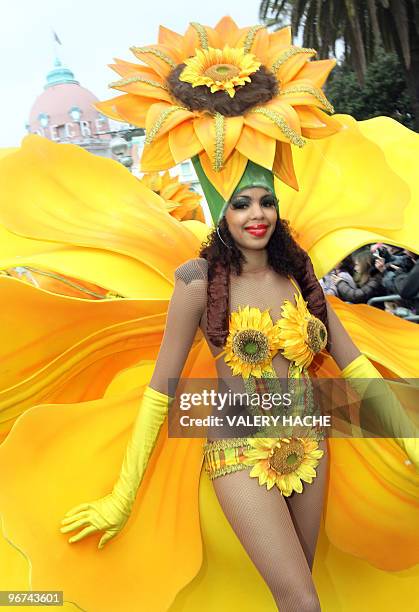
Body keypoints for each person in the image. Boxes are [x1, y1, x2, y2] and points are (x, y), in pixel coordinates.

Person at [1, 16, 419, 612]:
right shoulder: (197, 282)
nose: (257, 214)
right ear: (221, 213)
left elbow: (355, 373)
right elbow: (160, 392)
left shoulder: (301, 277)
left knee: (298, 592)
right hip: (238, 451)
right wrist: (122, 496)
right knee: (302, 601)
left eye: (266, 201)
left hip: (310, 442)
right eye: (241, 203)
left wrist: (412, 447)